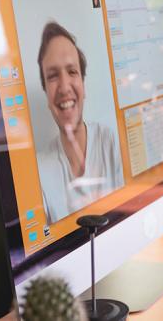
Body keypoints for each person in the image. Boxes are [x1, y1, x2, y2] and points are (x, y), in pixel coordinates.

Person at [36, 21, 123, 223]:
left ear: (83, 86)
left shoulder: (111, 141)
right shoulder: (39, 171)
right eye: (53, 76)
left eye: (72, 71)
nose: (64, 87)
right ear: (46, 95)